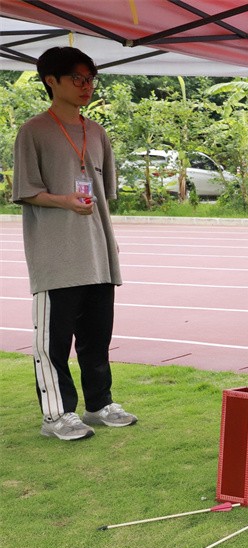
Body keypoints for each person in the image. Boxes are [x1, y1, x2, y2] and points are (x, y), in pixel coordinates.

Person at [13, 47, 137, 441]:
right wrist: (64, 200)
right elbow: (25, 190)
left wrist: (109, 240)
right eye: (77, 78)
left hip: (97, 252)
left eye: (90, 79)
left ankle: (99, 404)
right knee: (53, 343)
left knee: (97, 337)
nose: (87, 86)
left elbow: (104, 195)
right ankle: (56, 415)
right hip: (56, 255)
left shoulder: (97, 132)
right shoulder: (33, 131)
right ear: (51, 81)